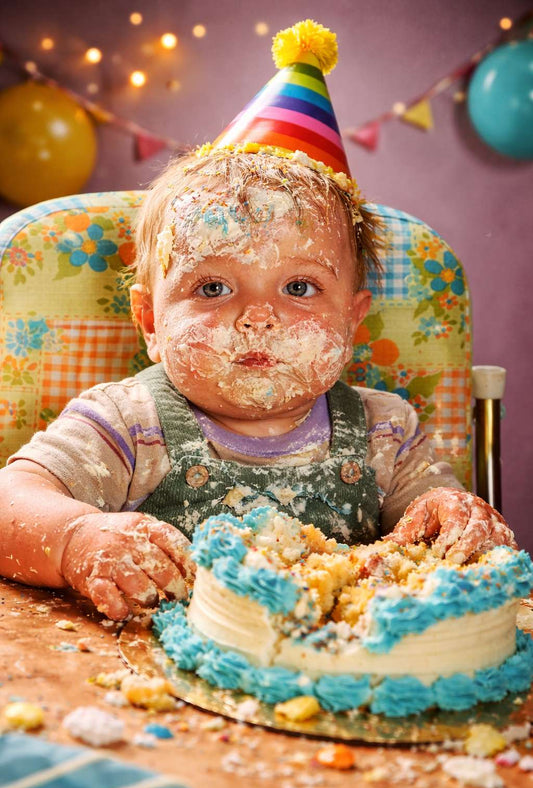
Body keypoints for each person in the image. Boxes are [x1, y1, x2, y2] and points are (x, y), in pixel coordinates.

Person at [0, 21, 515, 621]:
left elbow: (437, 525)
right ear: (150, 322)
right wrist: (75, 539)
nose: (258, 318)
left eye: (300, 286)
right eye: (213, 287)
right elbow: (11, 503)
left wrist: (453, 516)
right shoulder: (125, 425)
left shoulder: (387, 434)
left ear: (352, 320)